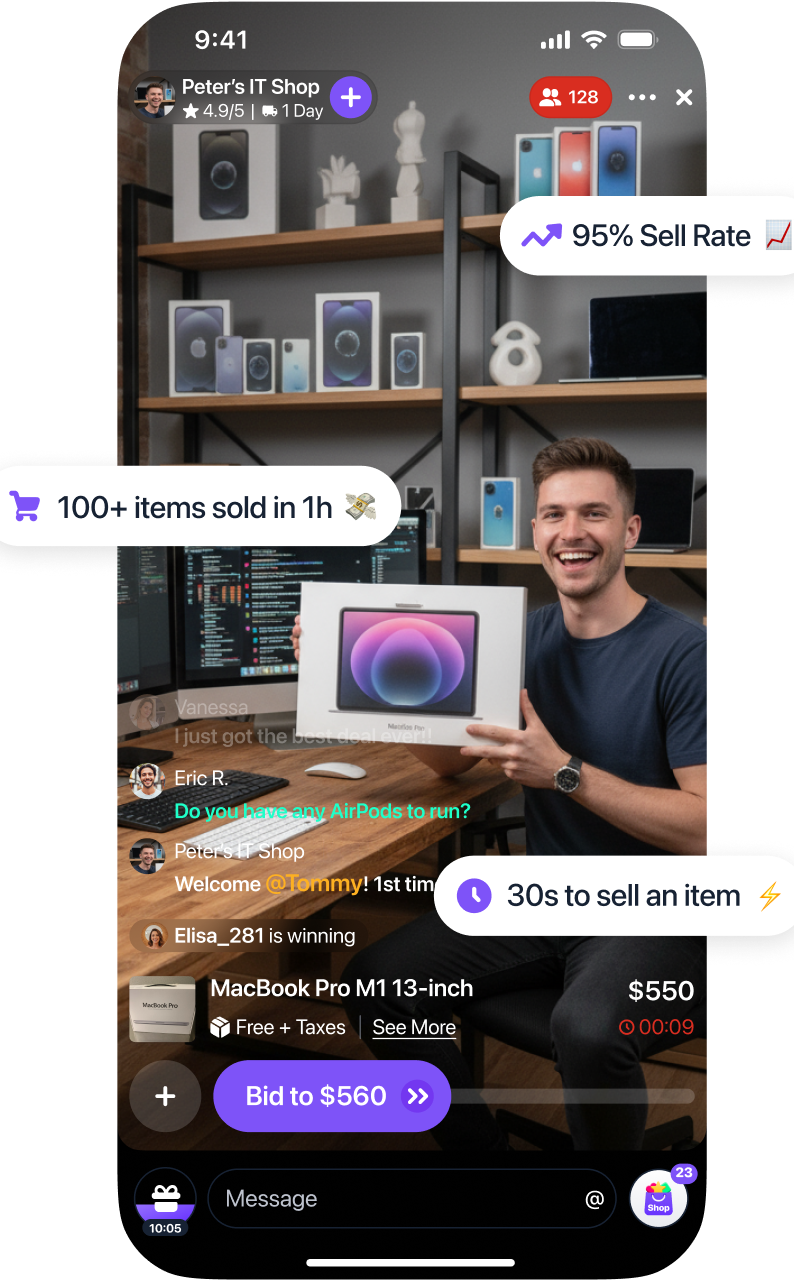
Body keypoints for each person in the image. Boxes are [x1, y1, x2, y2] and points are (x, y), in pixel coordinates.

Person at [291, 437, 706, 1151]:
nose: (569, 532)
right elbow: (451, 761)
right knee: (376, 984)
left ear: (629, 531)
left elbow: (707, 833)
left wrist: (565, 772)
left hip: (662, 909)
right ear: (534, 532)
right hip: (545, 898)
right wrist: (347, 679)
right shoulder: (517, 638)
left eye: (593, 514)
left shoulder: (684, 652)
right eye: (552, 515)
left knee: (584, 1030)